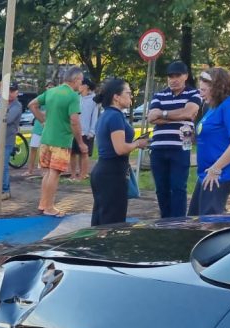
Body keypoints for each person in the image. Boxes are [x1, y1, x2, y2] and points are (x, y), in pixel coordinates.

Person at [188, 68, 230, 216]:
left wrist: (216, 168)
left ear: (216, 87)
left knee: (209, 221)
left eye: (203, 89)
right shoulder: (213, 106)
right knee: (194, 218)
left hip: (221, 172)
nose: (200, 93)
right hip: (208, 172)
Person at [147, 61, 203, 218]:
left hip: (180, 148)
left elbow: (189, 112)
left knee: (178, 187)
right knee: (161, 188)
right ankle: (165, 220)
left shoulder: (193, 94)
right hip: (158, 148)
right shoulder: (159, 95)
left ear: (185, 76)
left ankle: (178, 221)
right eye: (170, 76)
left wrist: (163, 114)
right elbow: (151, 117)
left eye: (177, 75)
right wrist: (178, 115)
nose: (173, 79)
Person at [90, 78, 149, 225]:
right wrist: (137, 143)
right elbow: (120, 148)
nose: (131, 96)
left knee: (100, 217)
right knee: (112, 221)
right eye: (128, 93)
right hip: (112, 173)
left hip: (104, 171)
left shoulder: (106, 115)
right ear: (116, 97)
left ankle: (97, 247)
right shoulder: (115, 116)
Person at [28, 66, 85, 217]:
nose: (82, 85)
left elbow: (32, 104)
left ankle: (43, 204)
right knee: (54, 173)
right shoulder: (72, 96)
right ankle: (49, 207)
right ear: (76, 79)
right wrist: (80, 142)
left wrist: (42, 121)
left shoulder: (51, 91)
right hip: (61, 140)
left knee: (46, 173)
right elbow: (74, 120)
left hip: (46, 138)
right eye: (81, 81)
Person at [0, 83, 23, 198]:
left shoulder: (17, 105)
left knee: (3, 166)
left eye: (12, 91)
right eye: (8, 91)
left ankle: (5, 190)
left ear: (16, 92)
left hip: (7, 140)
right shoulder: (4, 104)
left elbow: (8, 119)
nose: (10, 94)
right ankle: (0, 188)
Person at [71, 77, 99, 180]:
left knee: (84, 153)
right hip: (74, 130)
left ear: (86, 86)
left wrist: (92, 131)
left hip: (86, 131)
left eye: (80, 84)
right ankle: (73, 174)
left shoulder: (93, 100)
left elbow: (94, 116)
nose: (78, 86)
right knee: (73, 153)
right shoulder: (76, 98)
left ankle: (83, 174)